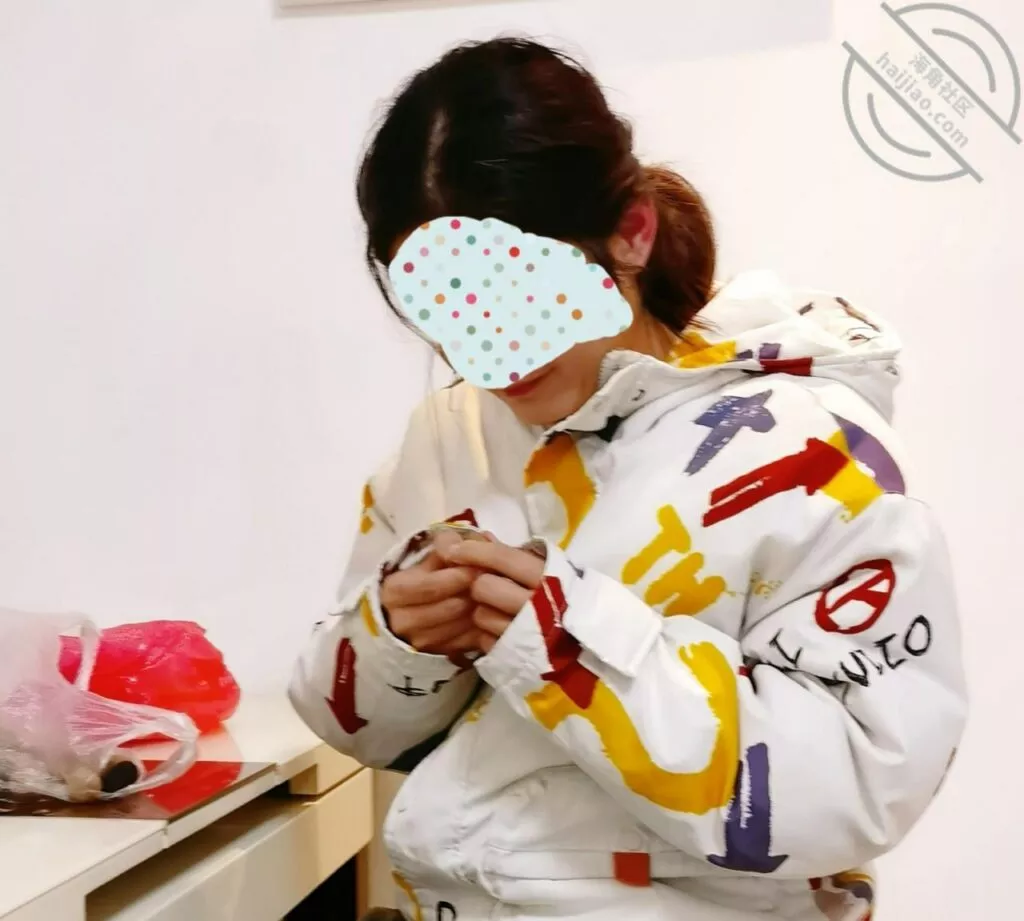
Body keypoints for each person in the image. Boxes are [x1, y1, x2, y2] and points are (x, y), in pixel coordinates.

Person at [290, 37, 966, 921]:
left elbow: (861, 786)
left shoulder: (811, 450)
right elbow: (351, 728)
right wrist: (396, 640)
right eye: (447, 309)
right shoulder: (448, 436)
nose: (493, 354)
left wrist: (569, 646)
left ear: (632, 233)